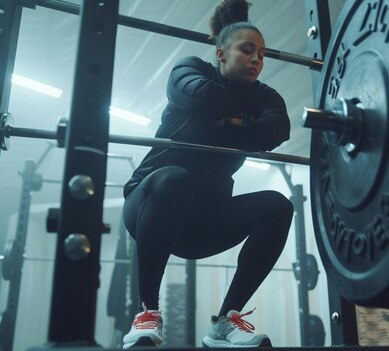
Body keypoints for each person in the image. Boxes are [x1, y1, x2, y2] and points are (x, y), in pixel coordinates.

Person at [121, 0, 293, 348]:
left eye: (261, 54)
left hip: (203, 222)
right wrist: (245, 123)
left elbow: (277, 130)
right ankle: (146, 314)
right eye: (247, 50)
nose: (257, 60)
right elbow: (202, 98)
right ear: (220, 54)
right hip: (149, 205)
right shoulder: (190, 68)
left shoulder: (265, 95)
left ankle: (225, 323)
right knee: (175, 178)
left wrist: (227, 120)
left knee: (278, 205)